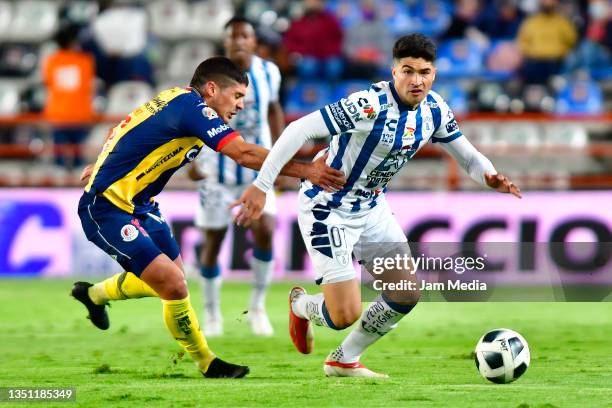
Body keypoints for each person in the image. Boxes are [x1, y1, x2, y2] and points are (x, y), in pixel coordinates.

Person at [234, 34, 521, 378]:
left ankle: (343, 359)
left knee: (406, 293)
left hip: (371, 207)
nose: (417, 80)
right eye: (408, 71)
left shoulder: (434, 110)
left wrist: (489, 176)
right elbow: (298, 129)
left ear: (434, 74)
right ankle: (301, 305)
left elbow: (469, 157)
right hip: (328, 206)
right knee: (343, 316)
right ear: (394, 71)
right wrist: (263, 185)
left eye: (425, 72)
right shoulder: (368, 105)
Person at [71, 56, 345, 379]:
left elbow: (124, 126)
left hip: (141, 205)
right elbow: (243, 153)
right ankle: (207, 362)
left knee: (171, 279)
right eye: (238, 96)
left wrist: (103, 160)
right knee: (173, 284)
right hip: (106, 207)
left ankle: (93, 294)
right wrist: (307, 170)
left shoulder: (175, 97)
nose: (241, 105)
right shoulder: (195, 110)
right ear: (212, 89)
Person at [187, 17, 284, 337]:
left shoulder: (270, 72)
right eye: (233, 37)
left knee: (265, 229)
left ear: (255, 42)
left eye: (246, 36)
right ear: (225, 42)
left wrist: (280, 158)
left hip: (257, 169)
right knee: (212, 242)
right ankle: (212, 313)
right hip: (216, 170)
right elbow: (196, 114)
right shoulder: (213, 77)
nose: (240, 41)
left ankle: (257, 307)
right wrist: (190, 158)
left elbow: (273, 111)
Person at [42, 23, 95, 171]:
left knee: (58, 159)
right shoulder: (85, 61)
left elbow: (48, 82)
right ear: (73, 42)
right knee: (79, 160)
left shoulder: (51, 61)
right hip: (80, 114)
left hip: (58, 114)